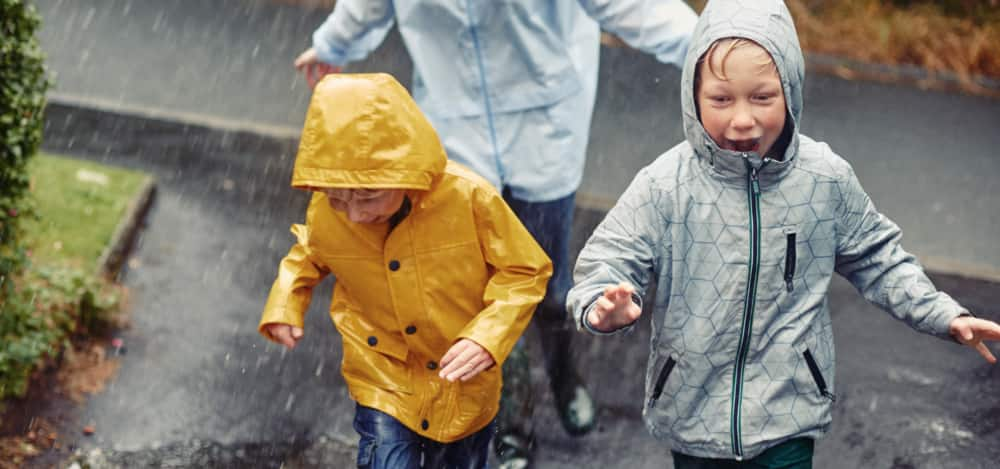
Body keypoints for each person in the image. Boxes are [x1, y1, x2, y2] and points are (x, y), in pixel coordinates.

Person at [566, 0, 1000, 467]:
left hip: (788, 415)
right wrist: (600, 308)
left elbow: (880, 258)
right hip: (692, 415)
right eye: (721, 99)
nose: (742, 119)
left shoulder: (824, 179)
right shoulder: (665, 185)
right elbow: (607, 260)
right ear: (693, 94)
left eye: (762, 97)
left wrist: (943, 314)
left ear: (790, 90)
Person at [291, 2, 698, 466]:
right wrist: (332, 46)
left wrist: (713, 47)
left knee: (545, 278)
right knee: (477, 289)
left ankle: (565, 373)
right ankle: (513, 431)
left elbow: (633, 6)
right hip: (453, 121)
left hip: (545, 120)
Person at [258, 73, 553, 469]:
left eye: (369, 196)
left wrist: (486, 338)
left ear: (406, 168)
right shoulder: (326, 209)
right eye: (339, 199)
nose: (356, 213)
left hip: (460, 376)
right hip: (382, 372)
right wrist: (285, 301)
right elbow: (309, 252)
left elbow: (525, 270)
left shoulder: (469, 198)